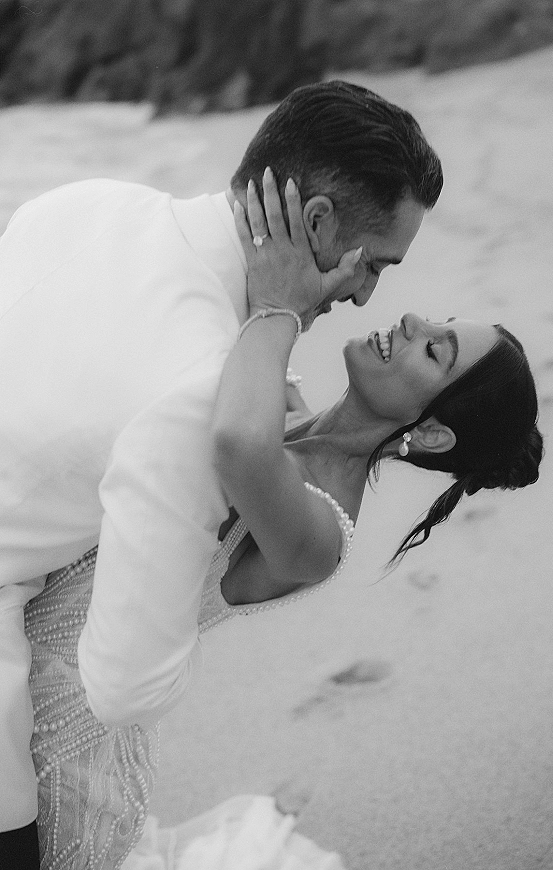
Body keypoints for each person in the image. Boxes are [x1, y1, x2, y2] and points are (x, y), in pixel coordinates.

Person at [24, 173, 542, 868]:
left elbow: (238, 443)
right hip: (20, 657)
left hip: (65, 749)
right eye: (438, 322)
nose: (414, 322)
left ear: (436, 435)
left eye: (434, 350)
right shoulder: (283, 404)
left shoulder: (321, 533)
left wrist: (279, 307)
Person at [0, 80, 443, 863]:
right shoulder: (203, 393)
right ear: (316, 223)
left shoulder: (85, 198)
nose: (372, 294)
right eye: (373, 263)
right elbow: (127, 687)